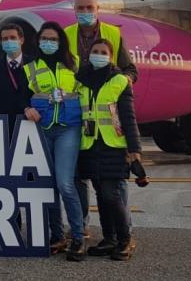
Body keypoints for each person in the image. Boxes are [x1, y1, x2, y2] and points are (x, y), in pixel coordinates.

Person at [66, 0, 138, 240]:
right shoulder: (67, 35)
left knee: (114, 183)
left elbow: (131, 69)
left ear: (97, 9)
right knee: (83, 177)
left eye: (89, 7)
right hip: (79, 114)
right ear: (74, 10)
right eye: (80, 8)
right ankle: (85, 227)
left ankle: (123, 231)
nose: (85, 11)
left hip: (108, 118)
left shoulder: (112, 33)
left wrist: (122, 84)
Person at [22, 22, 85, 260]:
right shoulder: (30, 67)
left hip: (68, 128)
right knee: (47, 186)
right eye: (44, 38)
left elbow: (85, 92)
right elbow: (22, 95)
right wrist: (26, 107)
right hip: (43, 128)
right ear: (38, 41)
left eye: (53, 39)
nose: (48, 42)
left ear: (60, 42)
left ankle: (78, 237)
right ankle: (57, 236)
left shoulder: (74, 63)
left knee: (64, 184)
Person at [75, 39, 141, 261]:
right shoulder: (80, 80)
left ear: (111, 57)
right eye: (95, 51)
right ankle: (110, 239)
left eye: (104, 52)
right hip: (90, 145)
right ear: (89, 55)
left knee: (110, 195)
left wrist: (135, 150)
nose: (99, 55)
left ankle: (125, 240)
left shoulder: (120, 81)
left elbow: (129, 118)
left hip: (113, 145)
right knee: (101, 196)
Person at [0, 23, 31, 119]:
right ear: (1, 42)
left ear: (21, 40)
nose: (9, 41)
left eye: (13, 38)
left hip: (29, 121)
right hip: (3, 123)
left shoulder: (34, 64)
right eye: (5, 39)